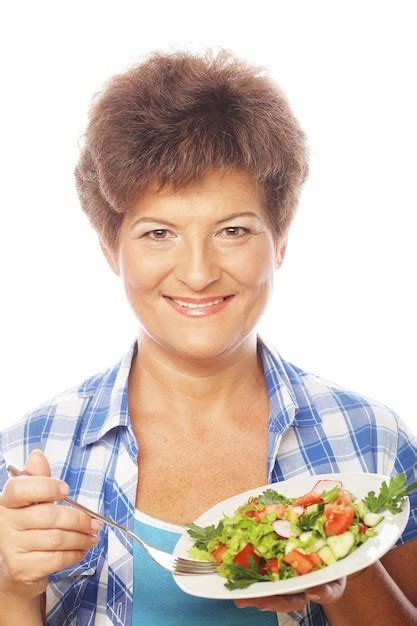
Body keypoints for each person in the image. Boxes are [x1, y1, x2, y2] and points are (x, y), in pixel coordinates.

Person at [0, 49, 416, 626]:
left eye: (233, 230)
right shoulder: (31, 457)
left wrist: (343, 549)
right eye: (159, 232)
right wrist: (12, 591)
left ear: (281, 240)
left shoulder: (373, 441)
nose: (197, 272)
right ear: (109, 248)